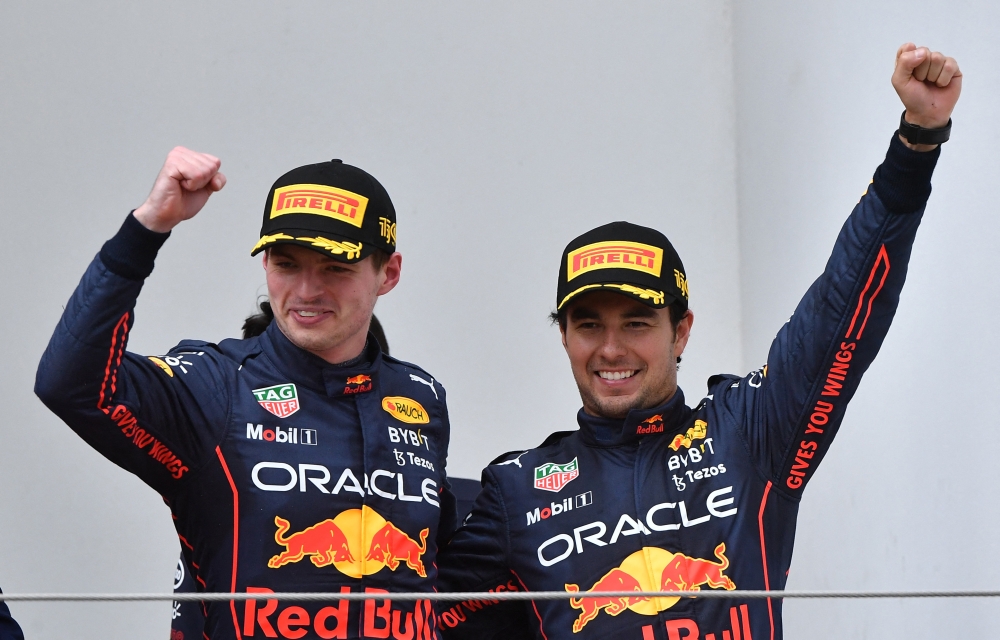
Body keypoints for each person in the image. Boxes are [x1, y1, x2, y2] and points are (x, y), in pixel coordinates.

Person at [436, 43, 961, 639]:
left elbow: (841, 309)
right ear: (563, 335)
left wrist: (916, 144)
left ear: (681, 330)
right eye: (588, 325)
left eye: (637, 323)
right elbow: (402, 605)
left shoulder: (749, 433)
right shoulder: (516, 492)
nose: (611, 349)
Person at [36, 153, 456, 639]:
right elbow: (69, 384)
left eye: (335, 267)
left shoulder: (421, 398)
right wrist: (147, 228)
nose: (306, 290)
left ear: (389, 273)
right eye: (286, 264)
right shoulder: (216, 384)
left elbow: (439, 567)